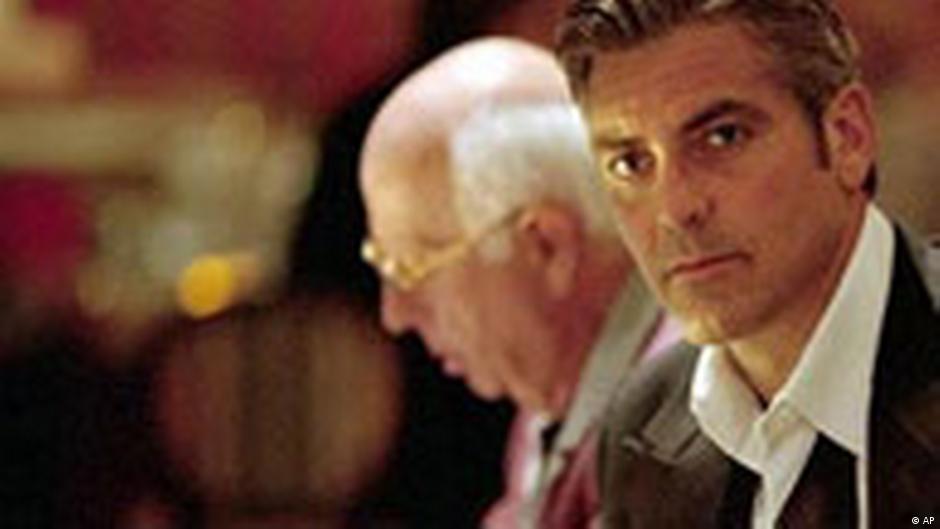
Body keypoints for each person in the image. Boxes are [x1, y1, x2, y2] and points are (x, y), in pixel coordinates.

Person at [555, 0, 940, 527]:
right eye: (631, 163)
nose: (675, 209)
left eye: (724, 136)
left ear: (847, 137)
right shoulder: (640, 428)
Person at [358, 37, 678, 529]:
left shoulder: (675, 434)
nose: (395, 314)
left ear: (547, 247)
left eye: (413, 266)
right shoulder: (550, 402)